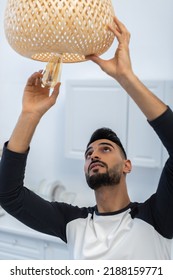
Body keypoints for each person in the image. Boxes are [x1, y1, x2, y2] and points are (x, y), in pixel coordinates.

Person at [0, 16, 173, 260]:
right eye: (88, 153)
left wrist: (126, 77)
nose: (93, 154)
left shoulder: (156, 217)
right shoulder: (72, 223)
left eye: (105, 148)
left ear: (127, 165)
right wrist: (29, 114)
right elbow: (9, 195)